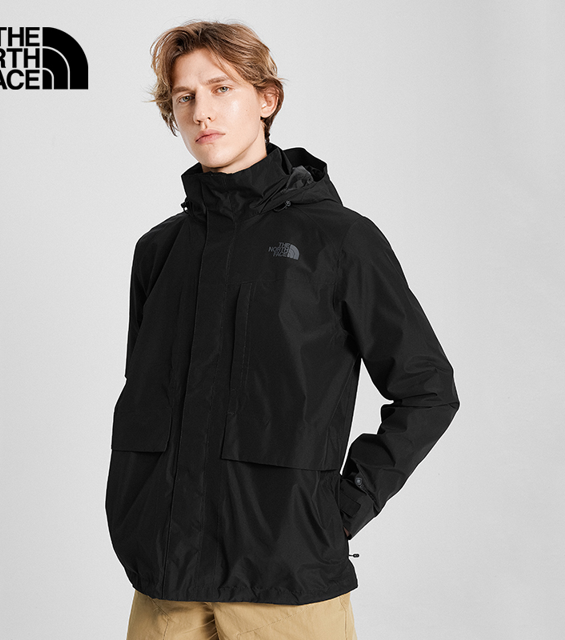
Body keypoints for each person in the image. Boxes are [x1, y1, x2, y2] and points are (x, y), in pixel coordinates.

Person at [105, 20, 459, 640]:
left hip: (286, 585)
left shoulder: (339, 240)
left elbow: (428, 390)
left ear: (266, 99)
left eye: (221, 89)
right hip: (164, 586)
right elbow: (145, 396)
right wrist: (134, 513)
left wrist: (340, 509)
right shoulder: (159, 251)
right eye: (185, 97)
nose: (201, 111)